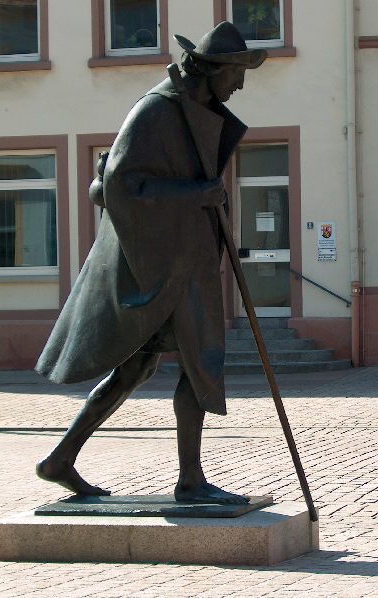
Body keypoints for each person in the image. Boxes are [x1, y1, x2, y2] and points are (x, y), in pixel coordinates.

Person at [34, 22, 267, 504]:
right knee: (193, 364)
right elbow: (114, 187)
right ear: (213, 70)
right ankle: (189, 482)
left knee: (143, 369)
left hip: (185, 262)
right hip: (159, 269)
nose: (241, 84)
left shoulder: (195, 112)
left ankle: (62, 459)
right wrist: (194, 194)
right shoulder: (156, 112)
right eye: (237, 73)